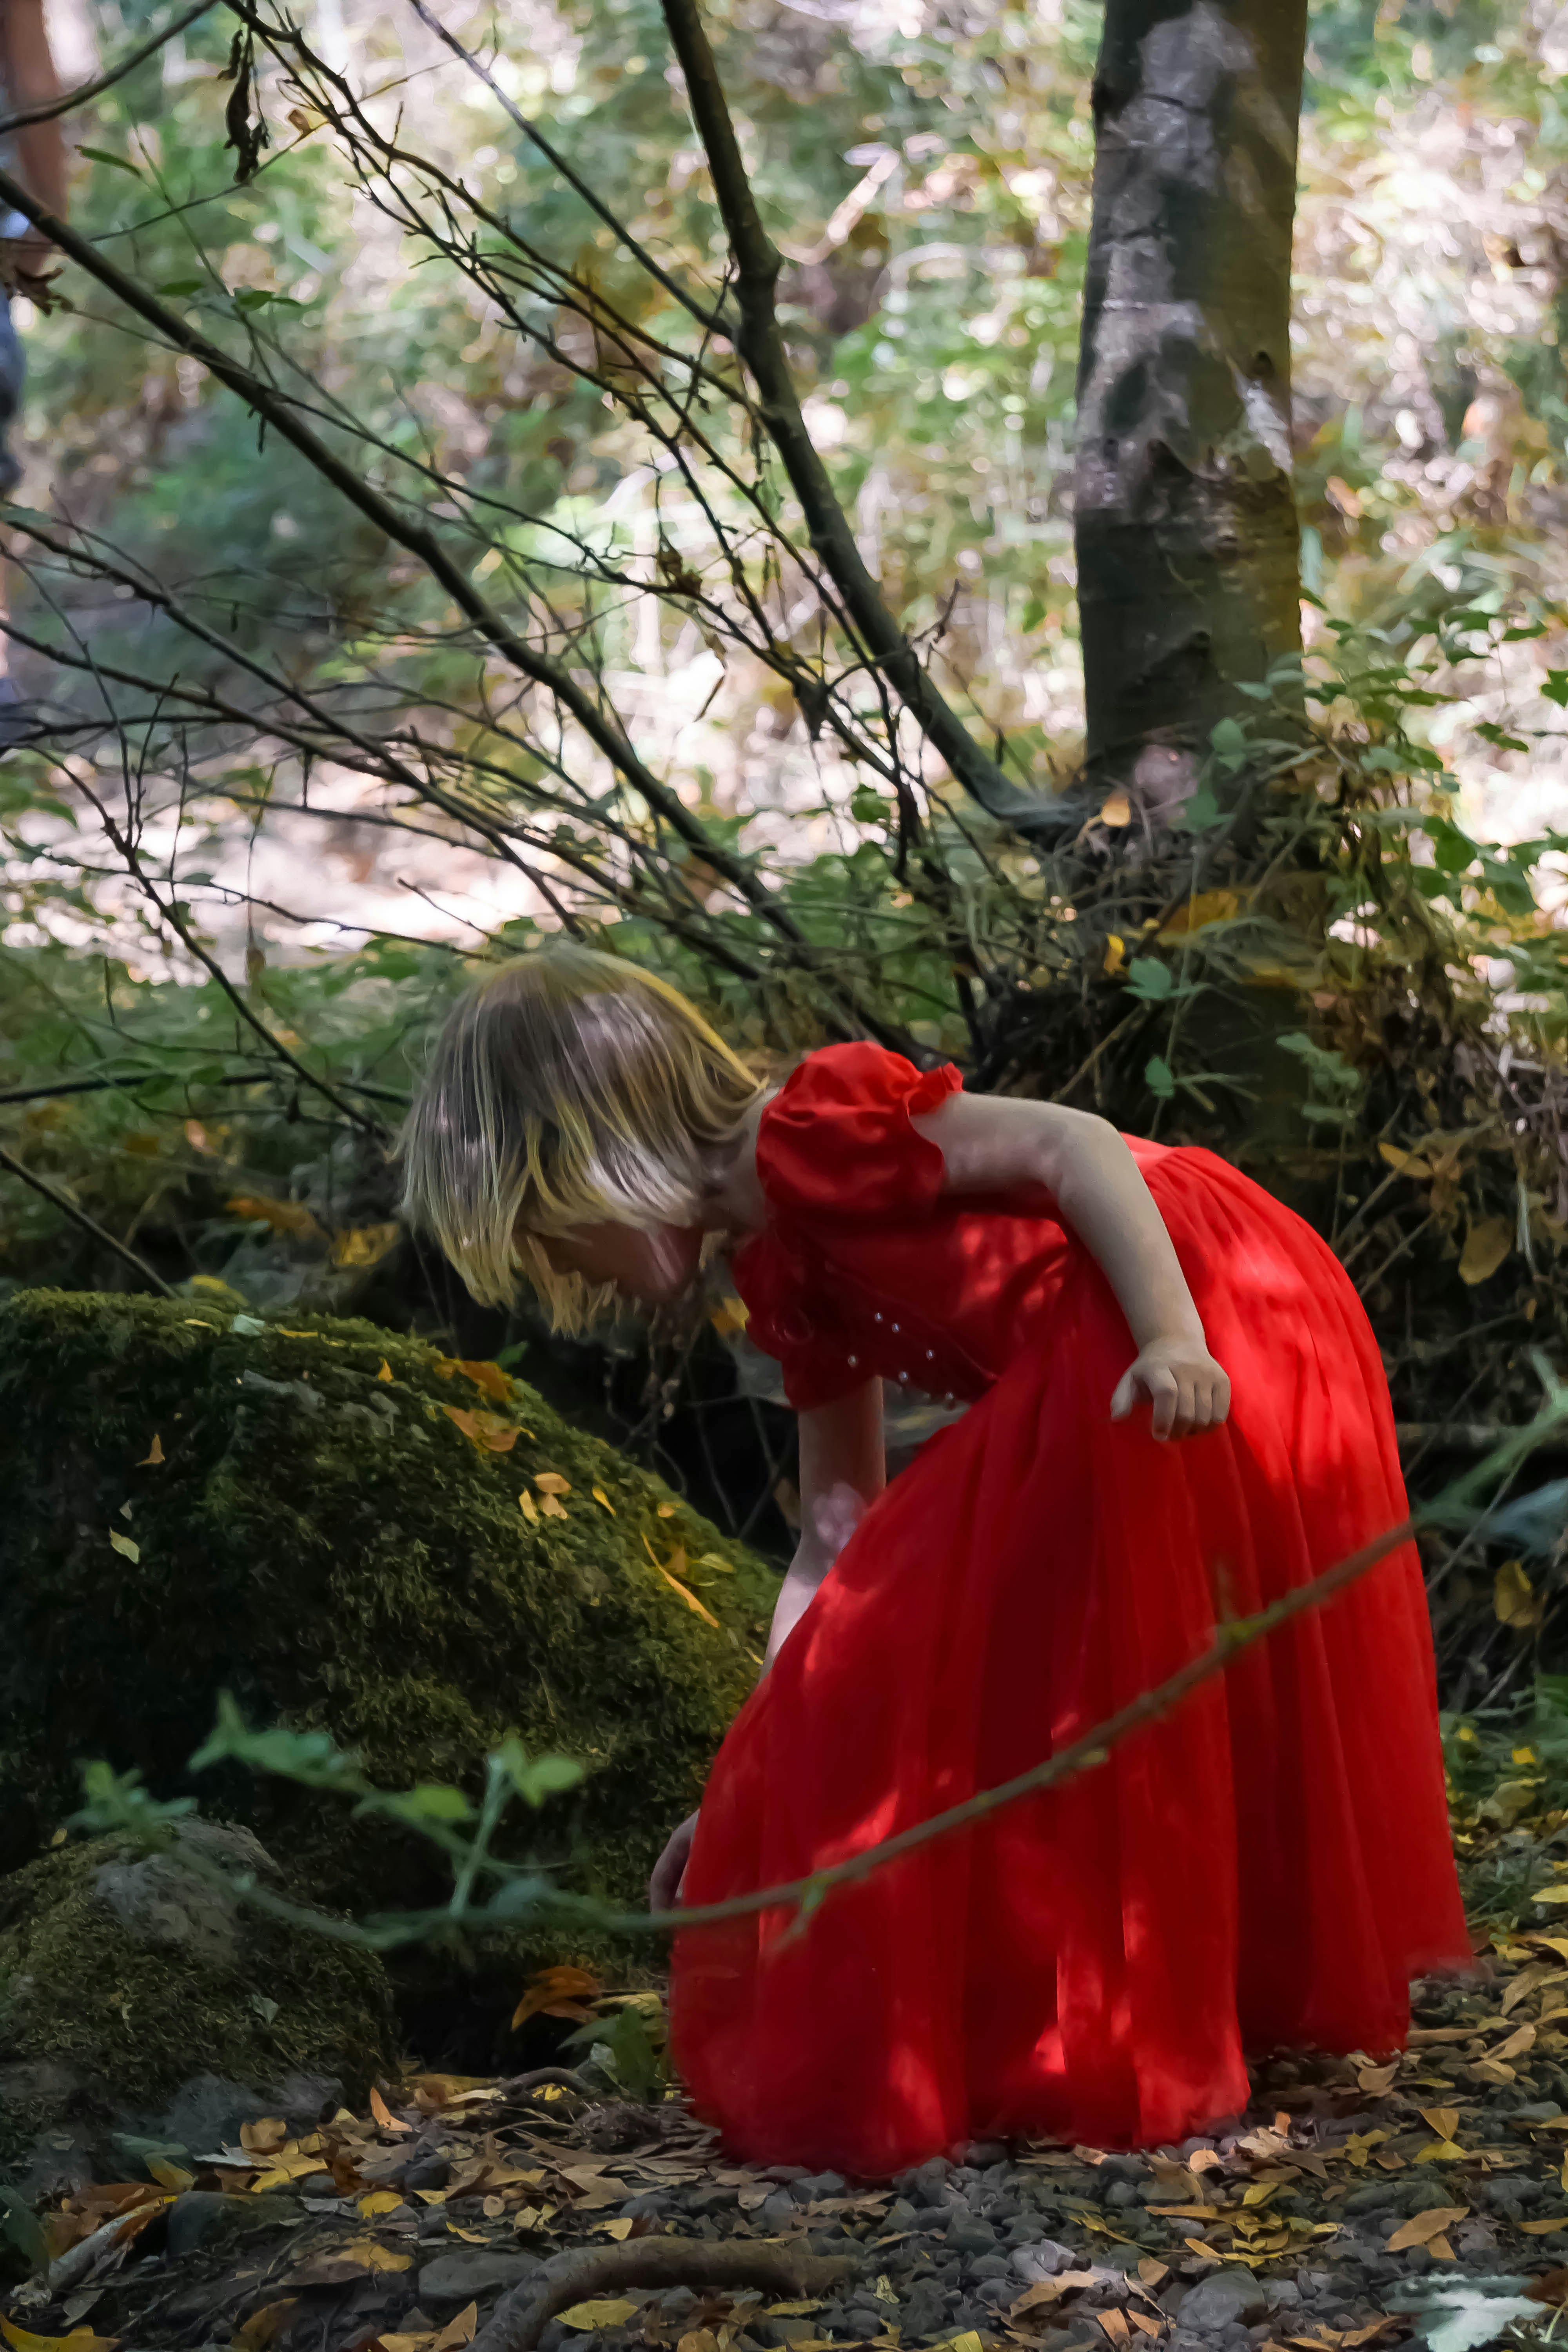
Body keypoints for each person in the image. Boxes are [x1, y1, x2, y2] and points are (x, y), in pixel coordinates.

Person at [399, 944, 1470, 2174]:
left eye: (546, 1232)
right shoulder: (781, 1265)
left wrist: (1172, 1336)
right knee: (1037, 1644)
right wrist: (756, 1784)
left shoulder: (810, 1133)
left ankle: (1132, 2018)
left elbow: (1073, 1145)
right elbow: (835, 1528)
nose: (558, 1272)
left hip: (1189, 1294)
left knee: (1012, 1637)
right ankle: (1184, 1996)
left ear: (589, 1152)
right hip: (1139, 1339)